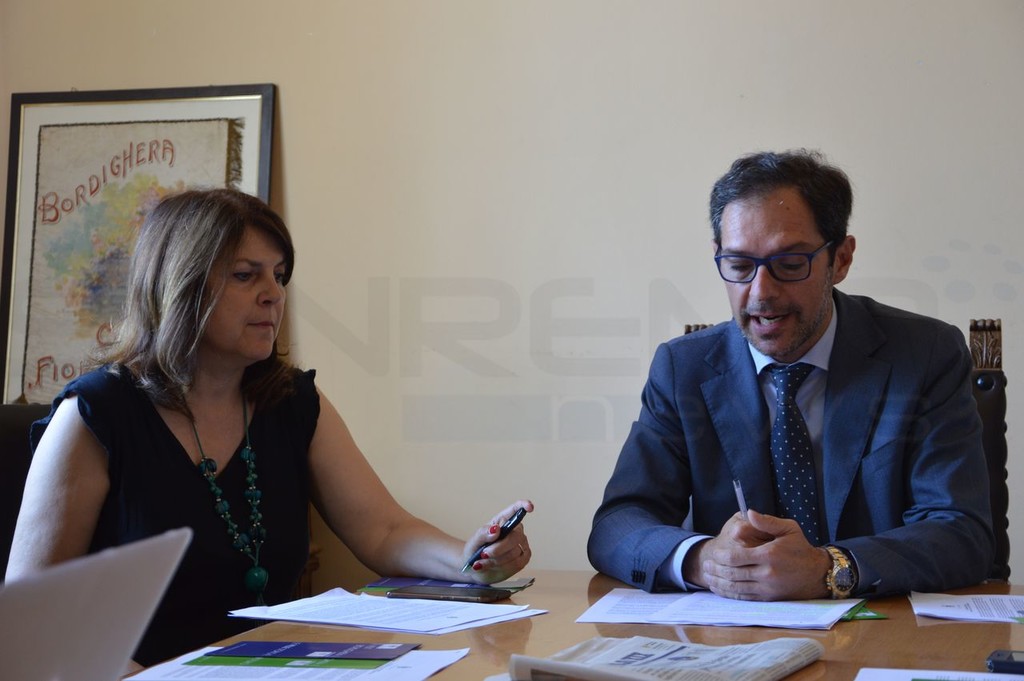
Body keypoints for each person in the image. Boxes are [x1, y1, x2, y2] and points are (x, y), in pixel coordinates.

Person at [6, 188, 534, 666]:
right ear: (181, 286)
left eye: (279, 276)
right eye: (246, 275)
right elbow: (32, 621)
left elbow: (384, 530)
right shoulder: (94, 416)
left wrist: (469, 560)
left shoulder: (292, 401)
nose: (274, 294)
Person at [588, 149, 993, 601]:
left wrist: (828, 568)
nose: (761, 293)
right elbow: (617, 525)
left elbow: (961, 532)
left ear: (841, 259)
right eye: (739, 266)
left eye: (790, 264)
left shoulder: (925, 354)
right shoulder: (682, 368)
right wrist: (704, 561)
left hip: (883, 629)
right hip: (732, 635)